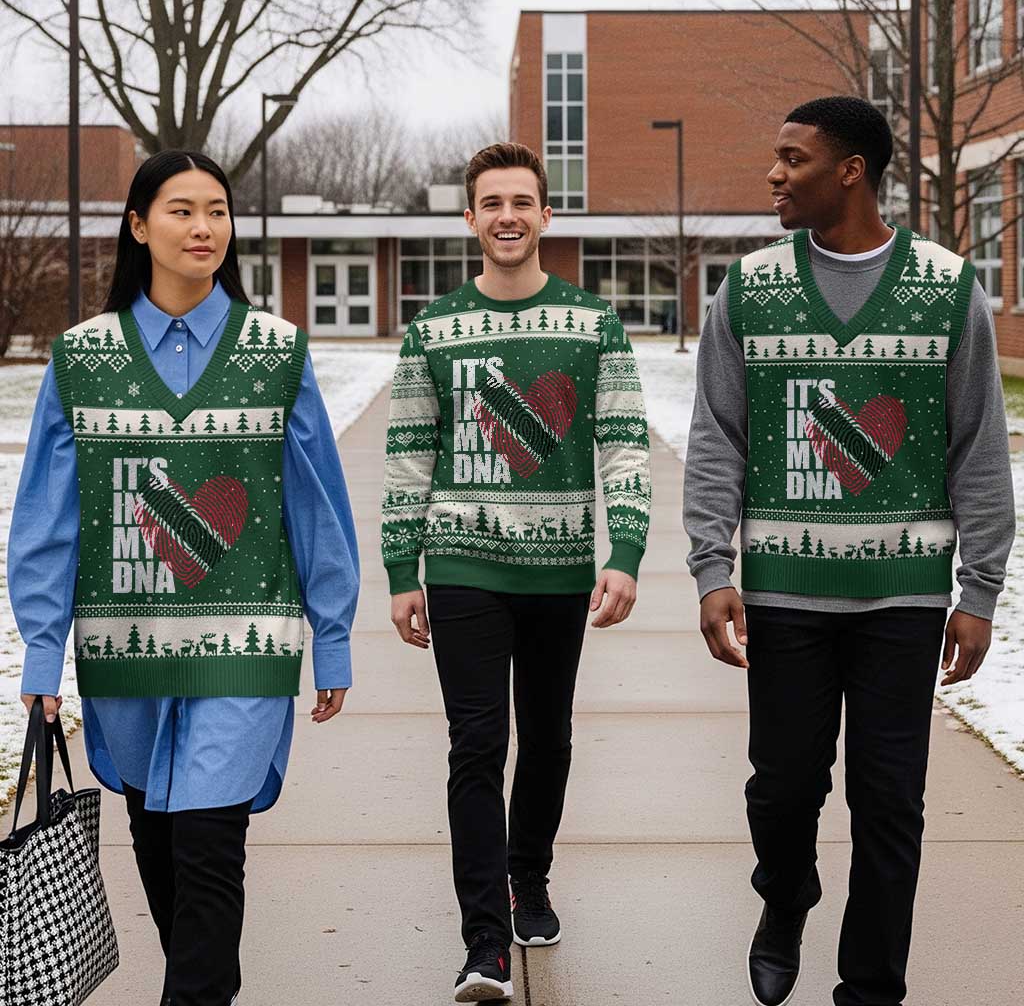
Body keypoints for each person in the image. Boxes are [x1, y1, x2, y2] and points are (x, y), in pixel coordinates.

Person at [684, 95, 1015, 1006]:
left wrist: (980, 590)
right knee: (782, 792)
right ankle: (784, 896)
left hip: (904, 600)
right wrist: (713, 568)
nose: (774, 174)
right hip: (786, 595)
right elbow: (718, 436)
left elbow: (977, 446)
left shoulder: (947, 287)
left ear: (852, 171)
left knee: (889, 805)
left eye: (793, 158)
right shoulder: (749, 287)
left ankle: (871, 987)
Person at [11, 150, 359, 1006]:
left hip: (244, 644)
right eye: (180, 211)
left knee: (210, 845)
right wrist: (42, 658)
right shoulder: (82, 358)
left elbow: (315, 504)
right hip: (124, 648)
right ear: (138, 226)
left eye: (216, 211)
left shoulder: (277, 353)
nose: (203, 228)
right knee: (159, 843)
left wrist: (334, 636)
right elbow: (47, 520)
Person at [380, 142, 652, 1003]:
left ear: (545, 215)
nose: (507, 216)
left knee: (549, 734)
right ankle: (484, 942)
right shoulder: (433, 331)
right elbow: (407, 456)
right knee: (476, 743)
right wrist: (401, 567)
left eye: (522, 202)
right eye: (491, 202)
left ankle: (527, 877)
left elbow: (623, 443)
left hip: (561, 570)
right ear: (469, 218)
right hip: (463, 562)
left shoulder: (592, 324)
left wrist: (627, 552)